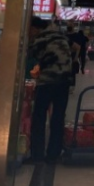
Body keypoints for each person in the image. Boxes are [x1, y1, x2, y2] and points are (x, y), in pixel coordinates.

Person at [27, 16, 73, 163]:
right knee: (58, 117)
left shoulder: (42, 38)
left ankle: (37, 155)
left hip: (48, 81)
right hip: (64, 82)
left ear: (34, 28)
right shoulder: (60, 36)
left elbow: (32, 55)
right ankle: (54, 154)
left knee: (39, 117)